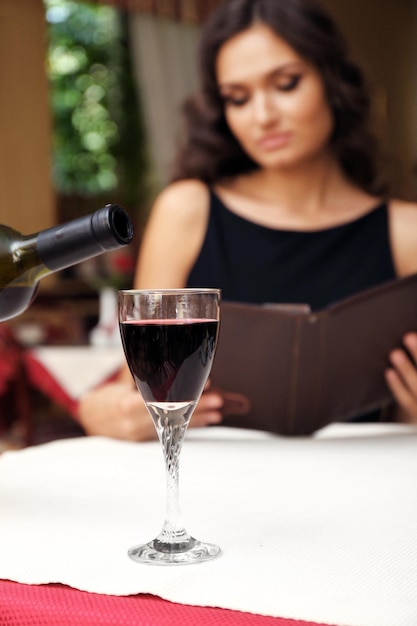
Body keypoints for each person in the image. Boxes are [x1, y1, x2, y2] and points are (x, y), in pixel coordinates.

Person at [78, 0, 417, 440]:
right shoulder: (186, 210)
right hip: (213, 485)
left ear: (333, 81)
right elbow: (135, 392)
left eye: (286, 84)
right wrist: (101, 412)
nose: (262, 116)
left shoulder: (407, 232)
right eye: (238, 97)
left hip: (364, 487)